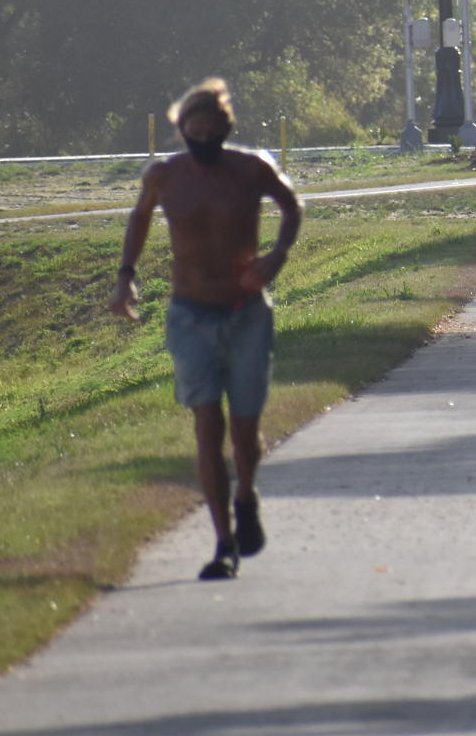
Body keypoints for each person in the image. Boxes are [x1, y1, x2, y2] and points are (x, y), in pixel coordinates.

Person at [109, 79, 301, 581]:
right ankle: (222, 543)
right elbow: (140, 218)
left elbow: (291, 205)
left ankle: (245, 496)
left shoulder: (250, 169)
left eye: (211, 134)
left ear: (224, 131)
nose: (203, 143)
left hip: (246, 312)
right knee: (206, 427)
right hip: (190, 314)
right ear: (181, 133)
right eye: (193, 135)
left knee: (244, 429)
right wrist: (125, 278)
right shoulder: (164, 176)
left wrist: (277, 254)